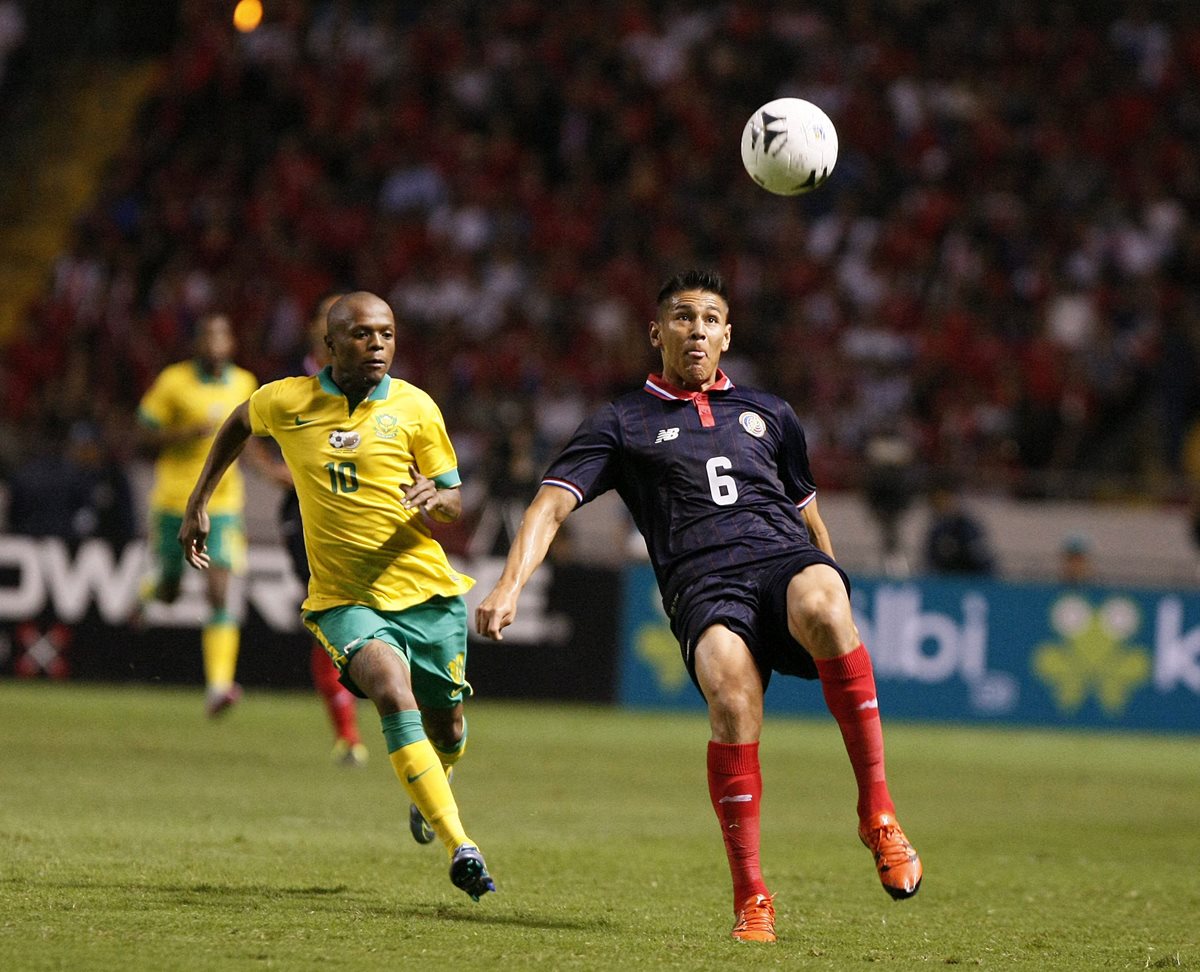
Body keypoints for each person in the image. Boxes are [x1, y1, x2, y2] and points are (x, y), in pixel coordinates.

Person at [476, 269, 921, 942]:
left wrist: (829, 577)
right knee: (732, 698)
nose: (697, 330)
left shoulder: (771, 413)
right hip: (703, 586)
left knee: (827, 606)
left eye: (711, 319)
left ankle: (878, 814)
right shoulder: (621, 422)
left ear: (727, 335)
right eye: (683, 317)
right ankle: (752, 896)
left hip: (779, 562)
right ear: (657, 333)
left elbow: (809, 515)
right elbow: (550, 506)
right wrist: (509, 584)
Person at [178, 291, 495, 902]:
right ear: (329, 344)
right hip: (344, 598)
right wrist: (199, 500)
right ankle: (461, 844)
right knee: (391, 691)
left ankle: (438, 776)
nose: (377, 345)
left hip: (425, 593)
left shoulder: (415, 407)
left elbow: (454, 499)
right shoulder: (288, 400)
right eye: (361, 334)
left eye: (387, 334)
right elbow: (238, 422)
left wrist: (437, 499)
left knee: (448, 724)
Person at [136, 313, 262, 716]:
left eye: (222, 336)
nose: (214, 344)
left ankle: (219, 685)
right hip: (174, 501)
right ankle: (149, 593)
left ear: (232, 344)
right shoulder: (174, 381)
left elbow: (247, 439)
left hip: (222, 505)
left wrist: (272, 470)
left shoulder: (245, 383)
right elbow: (143, 432)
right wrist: (184, 433)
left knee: (219, 589)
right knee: (171, 591)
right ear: (197, 344)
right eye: (208, 337)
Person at [277, 293, 367, 768]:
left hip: (360, 511)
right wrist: (279, 472)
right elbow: (245, 431)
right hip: (304, 513)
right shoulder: (292, 384)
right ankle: (347, 735)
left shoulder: (373, 381)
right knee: (329, 613)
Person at [923, 474, 995, 576]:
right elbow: (930, 560)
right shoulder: (936, 530)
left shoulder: (967, 526)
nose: (940, 505)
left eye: (943, 500)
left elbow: (983, 559)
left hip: (971, 577)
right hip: (945, 578)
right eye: (936, 502)